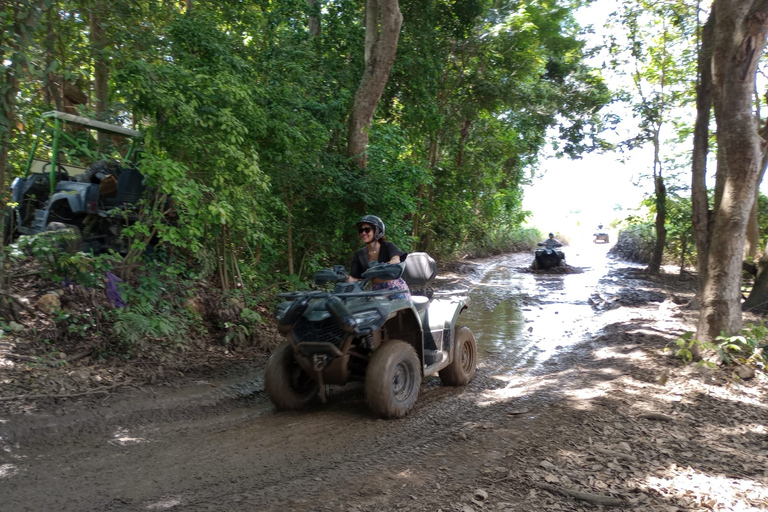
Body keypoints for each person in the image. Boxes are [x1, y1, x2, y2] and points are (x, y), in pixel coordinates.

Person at [349, 215, 411, 299]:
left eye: (367, 230)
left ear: (377, 231)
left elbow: (396, 259)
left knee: (403, 307)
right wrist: (345, 285)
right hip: (376, 292)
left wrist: (387, 266)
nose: (363, 233)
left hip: (395, 289)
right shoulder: (359, 255)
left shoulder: (388, 246)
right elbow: (353, 278)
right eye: (361, 230)